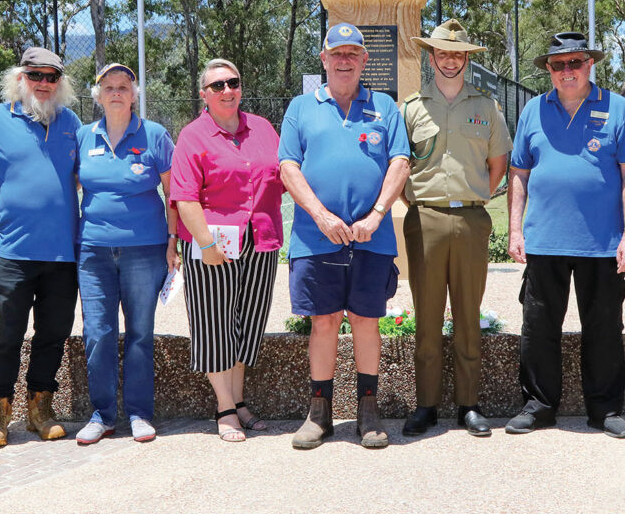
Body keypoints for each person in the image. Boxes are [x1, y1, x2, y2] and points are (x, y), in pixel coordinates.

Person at [506, 32, 625, 439]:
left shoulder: (616, 108)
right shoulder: (533, 110)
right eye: (558, 64)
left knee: (603, 326)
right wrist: (514, 228)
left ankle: (605, 410)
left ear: (590, 65)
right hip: (543, 240)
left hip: (602, 242)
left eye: (575, 62)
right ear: (548, 70)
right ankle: (538, 406)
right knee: (537, 327)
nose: (567, 71)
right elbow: (519, 172)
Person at [279, 23, 410, 450]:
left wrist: (375, 215)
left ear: (364, 61)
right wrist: (319, 215)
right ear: (324, 59)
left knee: (366, 322)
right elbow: (288, 167)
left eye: (353, 53)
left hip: (371, 237)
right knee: (323, 321)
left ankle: (367, 412)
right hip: (316, 237)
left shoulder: (385, 106)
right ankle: (320, 414)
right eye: (337, 53)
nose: (345, 60)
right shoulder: (301, 107)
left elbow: (400, 163)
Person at [399, 19, 512, 437]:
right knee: (427, 317)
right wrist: (420, 203)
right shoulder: (411, 108)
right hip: (424, 218)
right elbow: (400, 167)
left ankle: (469, 405)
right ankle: (426, 405)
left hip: (470, 219)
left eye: (457, 54)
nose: (450, 60)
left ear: (466, 59)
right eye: (443, 53)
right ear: (432, 58)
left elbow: (497, 165)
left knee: (468, 315)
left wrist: (474, 193)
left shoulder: (486, 107)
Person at [0, 47, 81, 448]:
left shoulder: (70, 123)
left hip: (64, 253)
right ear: (20, 79)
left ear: (60, 83)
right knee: (7, 335)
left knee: (53, 334)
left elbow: (85, 173)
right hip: (14, 250)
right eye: (36, 76)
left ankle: (40, 408)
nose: (44, 84)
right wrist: (1, 171)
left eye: (52, 77)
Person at [170, 59, 284, 443]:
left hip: (260, 240)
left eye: (232, 82)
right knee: (214, 325)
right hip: (210, 245)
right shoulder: (192, 136)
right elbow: (184, 197)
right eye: (216, 85)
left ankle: (237, 400)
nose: (225, 90)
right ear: (204, 94)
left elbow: (285, 176)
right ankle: (224, 407)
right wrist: (206, 245)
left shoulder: (264, 129)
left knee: (247, 325)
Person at [73, 63, 177, 445]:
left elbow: (174, 194)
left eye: (123, 86)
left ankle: (139, 413)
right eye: (108, 86)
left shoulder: (155, 135)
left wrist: (172, 241)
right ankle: (101, 415)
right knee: (98, 332)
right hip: (94, 251)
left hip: (145, 251)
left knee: (139, 334)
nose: (116, 92)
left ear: (134, 94)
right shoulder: (83, 137)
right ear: (97, 94)